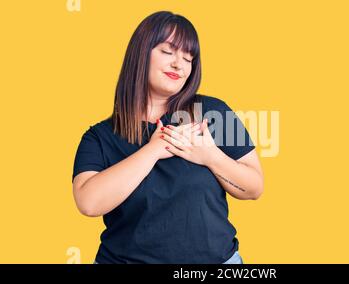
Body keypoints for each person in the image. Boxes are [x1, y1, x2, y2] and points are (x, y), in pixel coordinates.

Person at [72, 11, 264, 264]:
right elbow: (89, 204)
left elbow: (254, 188)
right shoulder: (100, 136)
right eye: (168, 51)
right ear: (141, 53)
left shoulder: (211, 112)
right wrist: (153, 149)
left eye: (188, 57)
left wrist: (210, 156)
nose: (179, 64)